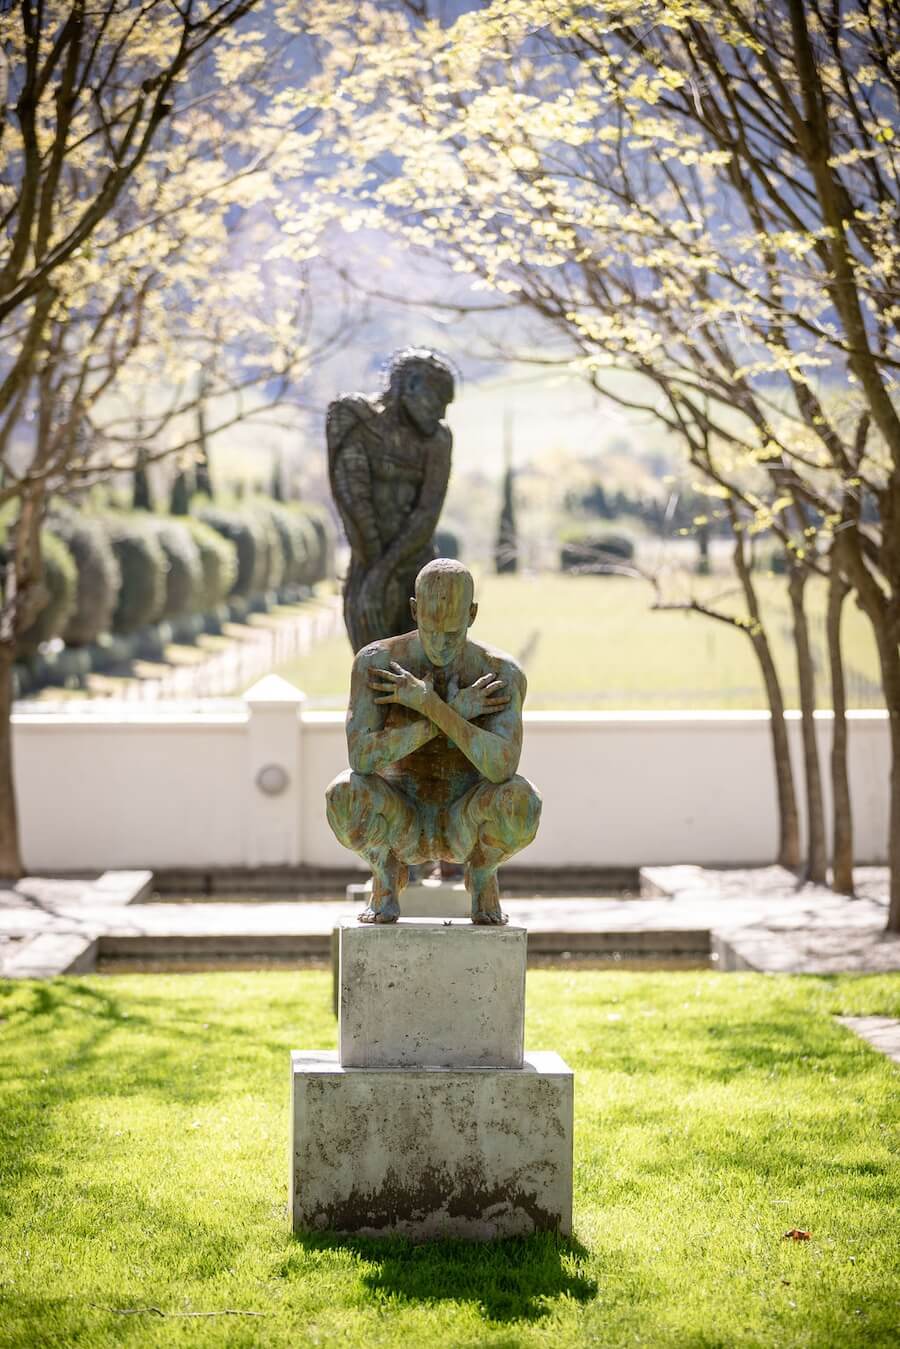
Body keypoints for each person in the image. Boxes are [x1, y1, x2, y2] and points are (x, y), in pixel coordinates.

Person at [325, 558, 541, 924]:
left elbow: (502, 768)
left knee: (522, 800)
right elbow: (361, 759)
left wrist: (429, 705)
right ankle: (386, 870)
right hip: (401, 815)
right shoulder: (376, 662)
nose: (440, 644)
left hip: (465, 818)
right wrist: (450, 711)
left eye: (452, 634)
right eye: (431, 630)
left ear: (472, 615)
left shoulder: (500, 673)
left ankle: (482, 871)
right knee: (344, 795)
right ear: (414, 611)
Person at [326, 349, 454, 652]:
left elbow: (427, 512)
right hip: (367, 563)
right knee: (373, 667)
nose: (441, 414)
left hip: (418, 573)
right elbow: (353, 501)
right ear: (411, 386)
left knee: (428, 667)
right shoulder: (354, 419)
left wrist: (383, 573)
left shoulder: (438, 439)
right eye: (437, 400)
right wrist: (375, 575)